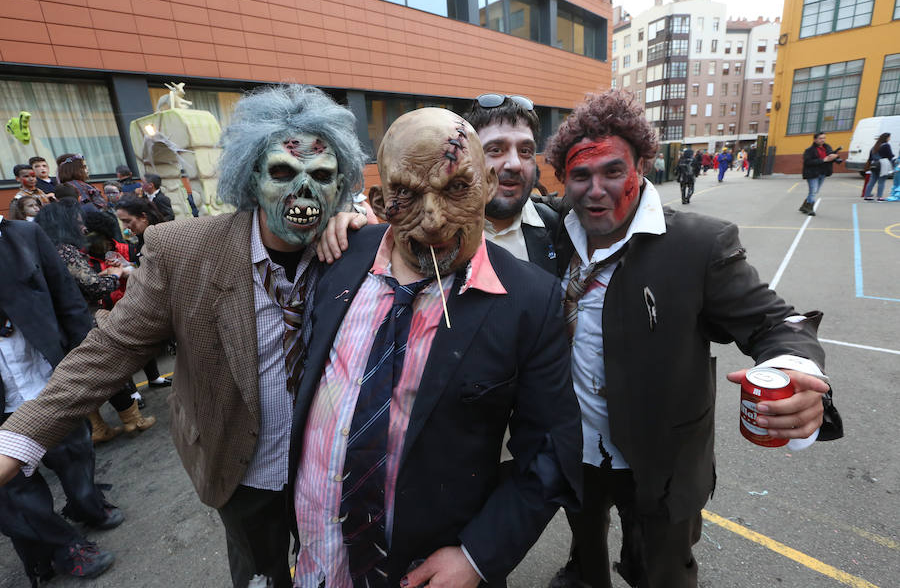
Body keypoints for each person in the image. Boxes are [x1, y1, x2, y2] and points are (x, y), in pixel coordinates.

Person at [0, 84, 368, 588]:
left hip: (333, 469)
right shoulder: (184, 251)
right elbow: (110, 349)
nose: (304, 191)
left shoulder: (359, 248)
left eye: (323, 177)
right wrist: (18, 439)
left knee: (335, 570)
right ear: (251, 176)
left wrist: (366, 223)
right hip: (242, 466)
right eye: (283, 171)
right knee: (261, 574)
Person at [540, 90, 840, 588]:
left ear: (642, 167)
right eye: (581, 175)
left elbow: (774, 323)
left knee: (661, 569)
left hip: (661, 462)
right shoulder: (550, 236)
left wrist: (798, 371)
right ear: (566, 180)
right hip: (578, 447)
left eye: (613, 171)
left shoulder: (698, 246)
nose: (596, 190)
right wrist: (363, 222)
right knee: (585, 540)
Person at [288, 106, 582, 588]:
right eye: (406, 193)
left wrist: (478, 556)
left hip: (429, 573)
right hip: (318, 558)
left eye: (457, 188)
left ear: (486, 185)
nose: (433, 221)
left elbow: (551, 453)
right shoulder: (338, 255)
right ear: (380, 200)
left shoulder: (530, 302)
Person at [0, 216, 121, 584]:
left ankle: (87, 505)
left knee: (74, 452)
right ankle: (63, 546)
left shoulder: (23, 236)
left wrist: (85, 361)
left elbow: (66, 298)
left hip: (46, 379)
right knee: (13, 490)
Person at [34, 201, 156, 443]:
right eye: (78, 221)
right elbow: (94, 287)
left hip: (56, 327)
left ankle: (98, 428)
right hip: (80, 321)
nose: (82, 226)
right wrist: (114, 275)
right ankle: (133, 420)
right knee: (109, 370)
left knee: (81, 378)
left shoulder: (40, 250)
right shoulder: (65, 250)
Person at [462, 92, 559, 274]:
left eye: (525, 151)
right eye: (496, 150)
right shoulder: (439, 230)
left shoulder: (556, 227)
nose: (514, 164)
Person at [800, 131, 842, 215]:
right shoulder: (809, 150)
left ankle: (804, 206)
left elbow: (830, 156)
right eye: (820, 138)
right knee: (813, 191)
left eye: (824, 138)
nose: (823, 140)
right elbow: (807, 162)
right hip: (812, 173)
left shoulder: (827, 147)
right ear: (815, 140)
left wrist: (836, 156)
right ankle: (810, 209)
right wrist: (823, 160)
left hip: (823, 172)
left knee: (815, 191)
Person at [863, 132, 894, 202]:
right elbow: (890, 155)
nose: (890, 138)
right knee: (881, 181)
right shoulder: (886, 145)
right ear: (886, 138)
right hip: (883, 165)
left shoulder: (875, 146)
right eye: (889, 137)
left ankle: (867, 196)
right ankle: (879, 197)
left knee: (872, 181)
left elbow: (870, 157)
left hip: (874, 165)